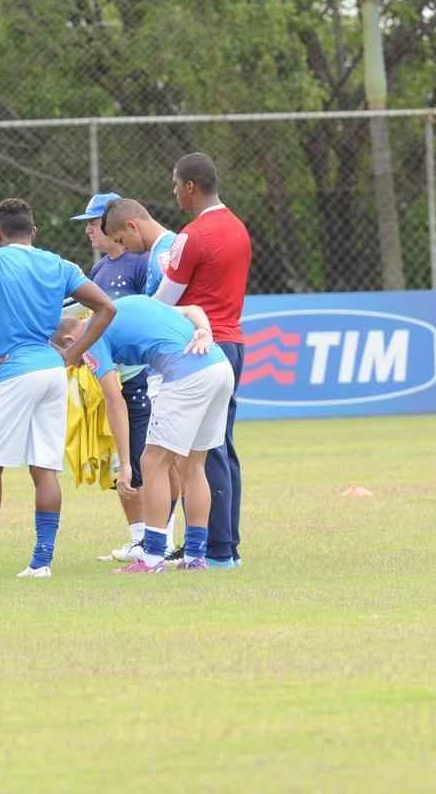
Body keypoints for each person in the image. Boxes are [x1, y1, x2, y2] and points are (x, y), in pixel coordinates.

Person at [0, 198, 116, 579]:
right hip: (52, 371)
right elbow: (106, 308)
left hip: (14, 371)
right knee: (45, 468)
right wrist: (72, 354)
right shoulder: (60, 264)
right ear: (34, 231)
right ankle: (41, 562)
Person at [56, 295, 233, 572]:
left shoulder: (91, 337)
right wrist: (204, 330)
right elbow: (192, 309)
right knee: (193, 465)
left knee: (152, 462)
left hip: (187, 376)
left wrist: (126, 465)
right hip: (219, 366)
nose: (75, 366)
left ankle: (152, 557)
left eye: (66, 359)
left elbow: (114, 401)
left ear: (69, 342)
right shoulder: (127, 305)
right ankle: (195, 556)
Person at [159, 153, 251, 568]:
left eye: (176, 184)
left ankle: (214, 550)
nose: (175, 192)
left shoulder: (192, 236)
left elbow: (164, 301)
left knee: (201, 452)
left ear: (191, 187)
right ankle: (226, 546)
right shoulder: (238, 228)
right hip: (232, 343)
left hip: (200, 347)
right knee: (221, 448)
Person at [71, 193, 167, 563]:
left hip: (137, 375)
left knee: (142, 456)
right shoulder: (99, 270)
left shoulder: (140, 263)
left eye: (94, 222)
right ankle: (137, 536)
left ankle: (156, 538)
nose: (89, 230)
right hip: (107, 372)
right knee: (119, 460)